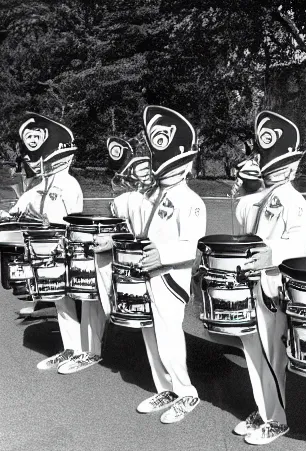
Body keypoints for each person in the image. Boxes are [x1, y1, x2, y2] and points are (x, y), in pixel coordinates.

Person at [98, 106, 205, 423]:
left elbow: (193, 246)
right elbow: (135, 231)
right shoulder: (147, 197)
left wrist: (164, 255)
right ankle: (166, 388)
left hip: (171, 278)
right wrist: (114, 241)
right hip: (144, 272)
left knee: (169, 336)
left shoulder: (191, 201)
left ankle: (187, 392)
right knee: (151, 336)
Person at [218, 111, 306, 445]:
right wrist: (244, 186)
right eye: (269, 162)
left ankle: (277, 418)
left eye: (282, 163)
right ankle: (263, 406)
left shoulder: (294, 200)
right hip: (250, 284)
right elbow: (242, 226)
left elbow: (299, 243)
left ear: (293, 166)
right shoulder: (255, 199)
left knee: (272, 354)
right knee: (252, 350)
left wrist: (273, 253)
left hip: (273, 286)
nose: (275, 169)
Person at [0, 113, 107, 373]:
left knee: (86, 298)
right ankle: (70, 348)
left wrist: (61, 232)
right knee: (59, 298)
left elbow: (76, 219)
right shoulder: (37, 188)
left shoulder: (70, 184)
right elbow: (16, 210)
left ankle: (91, 351)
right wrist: (7, 215)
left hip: (75, 249)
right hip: (48, 252)